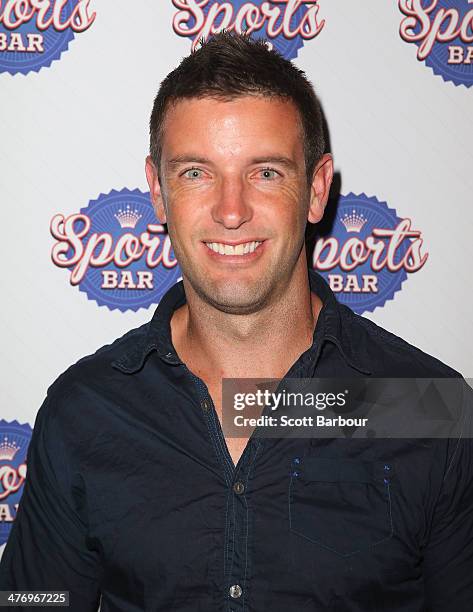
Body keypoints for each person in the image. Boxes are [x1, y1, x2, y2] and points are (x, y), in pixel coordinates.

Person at [1, 32, 472, 612]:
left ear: (317, 189)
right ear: (156, 190)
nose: (231, 211)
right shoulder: (86, 412)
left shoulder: (426, 406)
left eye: (265, 173)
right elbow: (34, 600)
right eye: (197, 173)